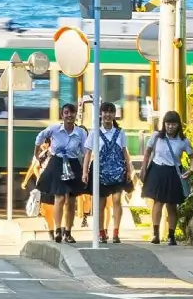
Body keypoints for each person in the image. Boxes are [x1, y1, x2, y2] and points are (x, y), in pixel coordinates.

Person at [34, 102, 87, 243]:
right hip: (57, 163)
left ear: (76, 115)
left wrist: (85, 170)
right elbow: (40, 136)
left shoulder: (81, 133)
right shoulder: (55, 129)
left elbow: (84, 152)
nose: (69, 115)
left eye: (72, 112)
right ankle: (58, 230)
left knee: (71, 201)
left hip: (74, 164)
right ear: (62, 115)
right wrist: (37, 153)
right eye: (66, 112)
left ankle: (68, 232)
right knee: (59, 198)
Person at [81, 102, 133, 243]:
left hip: (117, 171)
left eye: (111, 112)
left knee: (117, 200)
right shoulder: (94, 132)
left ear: (114, 114)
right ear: (101, 114)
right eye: (105, 112)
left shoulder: (120, 132)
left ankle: (116, 232)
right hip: (100, 172)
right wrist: (85, 172)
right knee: (100, 204)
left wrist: (129, 169)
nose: (108, 115)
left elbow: (124, 152)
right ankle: (101, 232)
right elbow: (88, 153)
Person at [140, 109, 193, 245]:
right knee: (158, 202)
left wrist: (191, 170)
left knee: (172, 205)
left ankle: (171, 236)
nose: (170, 126)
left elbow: (192, 156)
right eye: (167, 124)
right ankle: (156, 234)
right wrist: (144, 168)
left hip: (174, 173)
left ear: (178, 125)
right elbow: (148, 151)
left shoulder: (183, 141)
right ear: (164, 124)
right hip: (157, 170)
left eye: (173, 124)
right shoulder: (157, 136)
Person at [21, 140, 56, 240]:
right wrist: (39, 178)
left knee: (51, 209)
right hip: (46, 185)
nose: (42, 145)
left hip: (56, 185)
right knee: (46, 209)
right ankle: (52, 230)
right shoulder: (43, 154)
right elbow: (34, 167)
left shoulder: (60, 153)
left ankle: (54, 231)